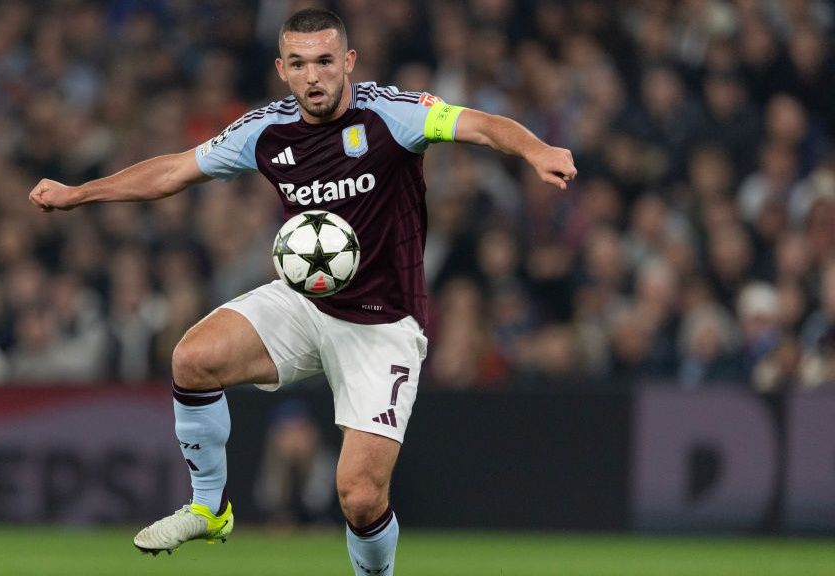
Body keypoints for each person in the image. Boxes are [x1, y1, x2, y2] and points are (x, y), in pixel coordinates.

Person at [28, 9, 575, 576]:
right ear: (281, 70)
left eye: (324, 61)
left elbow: (481, 125)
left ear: (349, 63)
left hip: (383, 324)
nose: (313, 76)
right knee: (192, 358)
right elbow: (172, 171)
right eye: (298, 64)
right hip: (305, 300)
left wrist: (536, 150)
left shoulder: (394, 115)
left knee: (360, 498)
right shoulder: (265, 131)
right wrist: (78, 194)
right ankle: (208, 507)